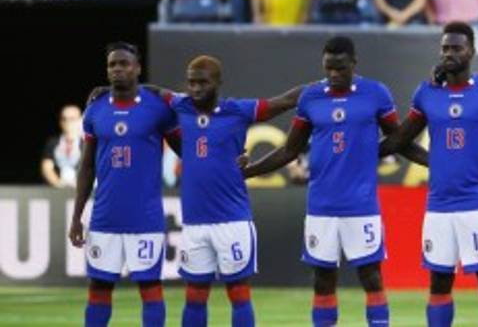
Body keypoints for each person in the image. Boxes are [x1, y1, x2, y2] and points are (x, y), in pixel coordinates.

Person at [241, 36, 426, 327]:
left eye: (340, 68)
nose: (333, 74)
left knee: (371, 277)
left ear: (354, 63)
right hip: (321, 206)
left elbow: (400, 139)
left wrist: (436, 162)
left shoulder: (376, 93)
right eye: (328, 68)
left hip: (361, 206)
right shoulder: (311, 97)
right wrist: (248, 172)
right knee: (323, 280)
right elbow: (290, 150)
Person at [378, 23, 478, 327]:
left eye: (456, 48)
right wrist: (359, 154)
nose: (449, 53)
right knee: (439, 283)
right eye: (445, 48)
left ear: (471, 51)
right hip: (439, 205)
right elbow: (400, 140)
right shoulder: (427, 93)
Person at [158, 56, 305, 327]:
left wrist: (323, 87)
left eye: (202, 82)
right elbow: (154, 92)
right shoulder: (181, 105)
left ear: (218, 82)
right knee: (194, 295)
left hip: (232, 221)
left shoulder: (238, 110)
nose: (195, 88)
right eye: (191, 82)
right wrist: (109, 92)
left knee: (238, 293)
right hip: (194, 222)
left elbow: (284, 101)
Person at [69, 43, 178, 327]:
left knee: (150, 287)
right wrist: (76, 217)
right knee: (99, 287)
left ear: (137, 68)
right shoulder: (95, 110)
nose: (117, 69)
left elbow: (185, 150)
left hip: (146, 218)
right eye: (112, 64)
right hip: (105, 218)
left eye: (124, 63)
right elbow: (87, 167)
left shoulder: (158, 108)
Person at [42, 105, 83, 188]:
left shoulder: (89, 144)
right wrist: (59, 184)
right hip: (58, 189)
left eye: (72, 119)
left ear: (80, 120)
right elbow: (47, 167)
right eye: (64, 119)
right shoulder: (53, 143)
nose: (68, 122)